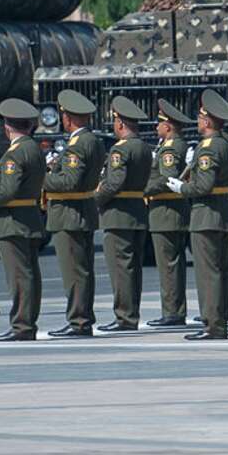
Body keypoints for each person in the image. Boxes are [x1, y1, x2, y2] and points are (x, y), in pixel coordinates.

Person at [173, 91, 228, 340]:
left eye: (201, 117)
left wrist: (182, 188)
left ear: (209, 121)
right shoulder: (227, 144)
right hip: (223, 212)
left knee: (208, 273)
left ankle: (213, 325)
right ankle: (219, 320)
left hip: (206, 215)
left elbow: (203, 186)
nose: (198, 121)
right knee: (220, 271)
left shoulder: (209, 148)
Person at [0, 98, 48, 342]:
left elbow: (7, 190)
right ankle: (27, 322)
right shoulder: (33, 149)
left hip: (12, 222)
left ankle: (22, 325)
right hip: (29, 218)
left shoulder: (15, 153)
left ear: (7, 127)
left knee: (19, 277)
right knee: (30, 275)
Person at [43, 89, 103, 338]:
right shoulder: (93, 141)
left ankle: (79, 321)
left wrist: (42, 177)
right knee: (83, 269)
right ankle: (83, 317)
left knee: (74, 272)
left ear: (68, 117)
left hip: (70, 213)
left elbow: (70, 181)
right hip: (82, 212)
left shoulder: (78, 145)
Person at [95, 96, 153, 332]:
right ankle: (131, 314)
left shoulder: (121, 150)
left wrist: (94, 200)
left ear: (120, 124)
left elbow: (114, 182)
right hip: (137, 211)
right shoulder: (143, 147)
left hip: (118, 214)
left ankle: (125, 317)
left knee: (121, 270)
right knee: (132, 269)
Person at [144, 99, 194, 327]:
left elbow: (166, 178)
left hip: (167, 211)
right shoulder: (169, 145)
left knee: (169, 265)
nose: (156, 128)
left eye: (159, 124)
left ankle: (173, 312)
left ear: (168, 126)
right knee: (170, 264)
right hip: (167, 212)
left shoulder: (171, 148)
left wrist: (141, 189)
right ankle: (173, 310)